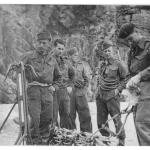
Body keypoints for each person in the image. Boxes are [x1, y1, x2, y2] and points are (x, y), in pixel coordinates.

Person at [22, 31, 61, 144]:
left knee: (46, 120)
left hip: (48, 93)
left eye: (44, 43)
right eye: (39, 42)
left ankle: (43, 144)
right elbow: (18, 70)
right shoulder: (28, 56)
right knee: (35, 120)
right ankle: (32, 143)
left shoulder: (52, 60)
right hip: (33, 92)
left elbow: (58, 77)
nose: (41, 45)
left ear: (49, 43)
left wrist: (54, 86)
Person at [118, 23, 150, 146]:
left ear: (137, 31)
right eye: (127, 41)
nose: (129, 43)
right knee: (139, 126)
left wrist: (140, 76)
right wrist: (122, 88)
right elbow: (130, 74)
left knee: (143, 126)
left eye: (130, 39)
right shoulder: (132, 51)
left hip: (147, 95)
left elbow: (137, 75)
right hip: (138, 96)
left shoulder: (148, 45)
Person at [95, 40, 127, 146]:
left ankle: (121, 142)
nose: (107, 53)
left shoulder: (119, 64)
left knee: (117, 121)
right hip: (101, 96)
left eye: (109, 51)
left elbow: (125, 78)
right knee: (101, 123)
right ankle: (106, 141)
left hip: (112, 97)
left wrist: (118, 90)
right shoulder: (102, 63)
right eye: (105, 51)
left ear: (112, 50)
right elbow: (100, 77)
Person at [69, 48, 92, 133]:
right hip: (70, 92)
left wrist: (85, 90)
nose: (76, 56)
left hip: (80, 92)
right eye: (74, 55)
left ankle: (86, 136)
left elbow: (87, 79)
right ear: (70, 56)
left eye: (77, 54)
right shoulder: (66, 64)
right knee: (70, 116)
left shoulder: (82, 64)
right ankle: (71, 136)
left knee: (85, 115)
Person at [53, 39, 74, 129]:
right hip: (53, 91)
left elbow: (72, 74)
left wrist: (70, 85)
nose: (61, 51)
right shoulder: (48, 60)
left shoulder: (66, 62)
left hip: (64, 92)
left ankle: (64, 139)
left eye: (62, 49)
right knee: (52, 116)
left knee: (66, 115)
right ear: (54, 47)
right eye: (59, 48)